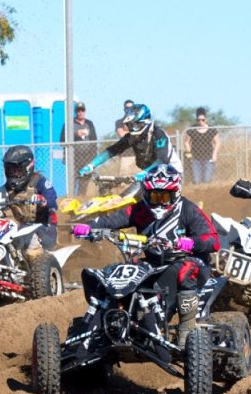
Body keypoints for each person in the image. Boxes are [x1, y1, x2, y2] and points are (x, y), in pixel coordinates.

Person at [72, 164, 218, 347]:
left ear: (175, 193)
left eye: (164, 196)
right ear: (145, 193)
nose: (158, 201)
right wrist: (90, 227)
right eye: (153, 195)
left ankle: (187, 330)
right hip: (154, 262)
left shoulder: (188, 209)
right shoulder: (139, 209)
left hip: (189, 261)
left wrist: (192, 242)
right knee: (117, 274)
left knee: (183, 270)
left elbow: (213, 240)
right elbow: (110, 220)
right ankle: (106, 326)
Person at [78, 103, 180, 183]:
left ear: (143, 123)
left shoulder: (158, 134)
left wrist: (144, 173)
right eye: (130, 125)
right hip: (148, 174)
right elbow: (112, 151)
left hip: (171, 173)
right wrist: (91, 165)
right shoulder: (132, 137)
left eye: (134, 125)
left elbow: (162, 159)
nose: (131, 129)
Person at [0, 145, 58, 252]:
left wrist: (43, 201)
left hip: (46, 230)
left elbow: (51, 202)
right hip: (22, 229)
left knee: (27, 236)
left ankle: (38, 266)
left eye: (17, 170)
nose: (13, 173)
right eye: (10, 170)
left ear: (28, 168)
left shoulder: (39, 181)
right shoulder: (8, 188)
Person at [59, 102, 97, 195]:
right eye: (78, 110)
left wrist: (93, 157)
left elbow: (94, 140)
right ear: (76, 112)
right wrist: (75, 134)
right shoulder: (69, 124)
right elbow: (62, 140)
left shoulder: (89, 123)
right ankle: (71, 198)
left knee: (84, 180)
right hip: (74, 158)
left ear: (85, 111)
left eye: (82, 110)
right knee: (72, 180)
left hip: (87, 157)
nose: (80, 112)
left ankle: (81, 198)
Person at [185, 107, 220, 184]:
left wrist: (215, 154)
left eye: (203, 120)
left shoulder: (212, 129)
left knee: (207, 180)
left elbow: (217, 142)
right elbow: (187, 142)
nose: (201, 122)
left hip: (209, 158)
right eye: (198, 120)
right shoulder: (192, 129)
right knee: (197, 181)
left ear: (206, 119)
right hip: (195, 159)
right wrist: (189, 155)